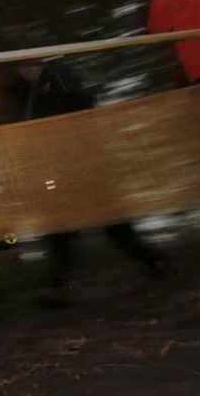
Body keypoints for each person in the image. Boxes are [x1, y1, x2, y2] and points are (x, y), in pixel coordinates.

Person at [13, 63, 168, 306]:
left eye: (29, 65)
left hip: (82, 162)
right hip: (57, 167)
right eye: (22, 68)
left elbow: (81, 106)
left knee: (110, 221)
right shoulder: (29, 93)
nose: (25, 71)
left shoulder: (59, 78)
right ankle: (58, 286)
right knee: (60, 227)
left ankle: (153, 261)